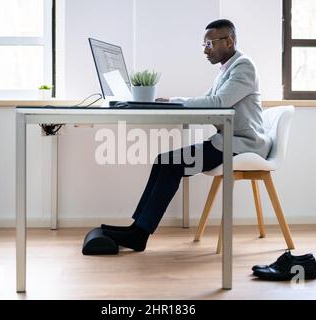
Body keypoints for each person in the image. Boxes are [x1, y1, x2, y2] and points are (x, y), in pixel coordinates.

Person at [101, 19, 272, 252]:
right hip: (228, 141)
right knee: (164, 160)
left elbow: (218, 103)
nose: (205, 50)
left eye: (209, 43)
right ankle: (137, 227)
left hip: (241, 145)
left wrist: (173, 102)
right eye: (203, 44)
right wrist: (171, 104)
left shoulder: (244, 67)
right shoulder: (227, 69)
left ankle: (139, 234)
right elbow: (210, 102)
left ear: (229, 41)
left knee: (171, 163)